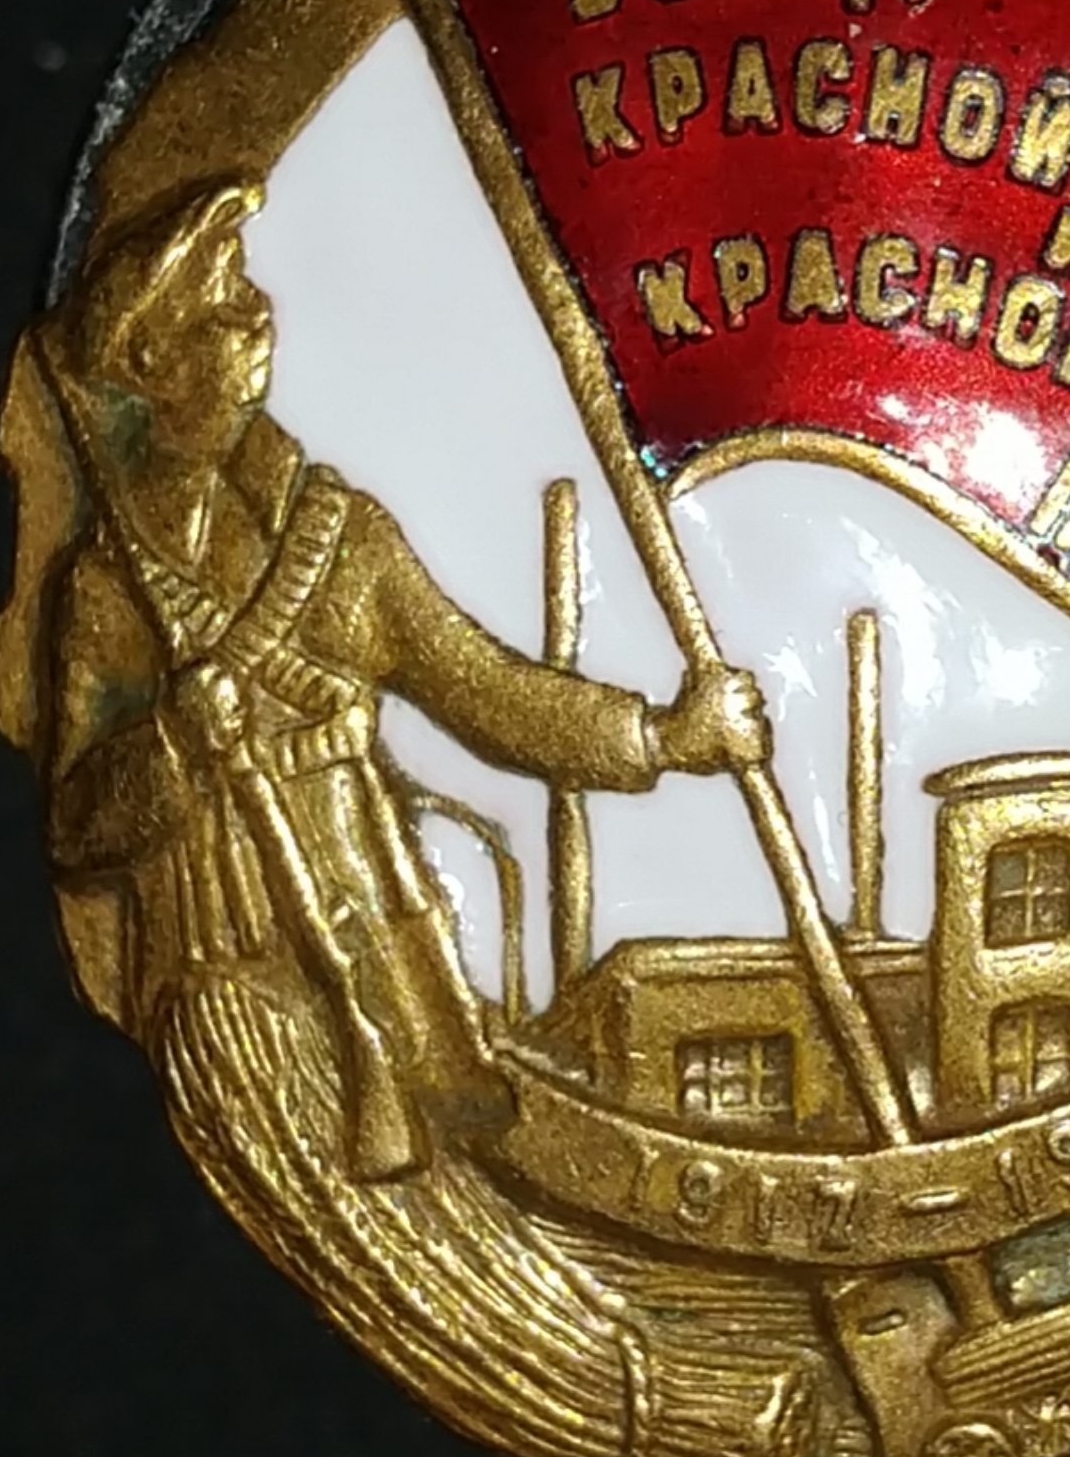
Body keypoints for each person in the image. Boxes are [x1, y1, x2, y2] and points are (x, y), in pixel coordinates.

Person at [41, 174, 770, 1178]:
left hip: (369, 924)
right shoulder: (110, 583)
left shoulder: (339, 539)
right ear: (150, 360)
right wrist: (172, 742)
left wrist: (660, 736)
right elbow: (76, 828)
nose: (256, 314)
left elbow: (486, 692)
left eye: (246, 285)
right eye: (217, 304)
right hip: (212, 958)